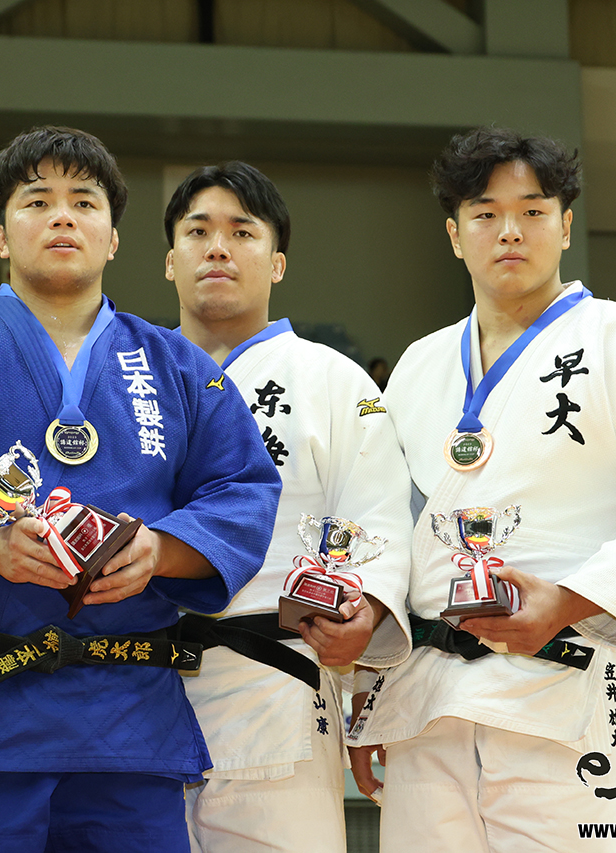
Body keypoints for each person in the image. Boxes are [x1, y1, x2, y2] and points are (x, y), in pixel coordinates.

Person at [0, 127, 281, 853]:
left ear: (113, 238)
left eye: (85, 201)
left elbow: (243, 488)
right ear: (0, 236)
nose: (63, 216)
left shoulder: (177, 365)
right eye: (36, 201)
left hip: (129, 720)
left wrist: (162, 550)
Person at [346, 127, 616, 851]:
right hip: (429, 704)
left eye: (533, 210)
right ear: (455, 235)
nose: (510, 231)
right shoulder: (419, 367)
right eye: (485, 213)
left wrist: (570, 599)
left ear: (566, 225)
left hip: (567, 688)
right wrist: (371, 691)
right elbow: (388, 528)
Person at [165, 161, 413, 852]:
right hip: (136, 684)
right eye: (198, 231)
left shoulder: (333, 379)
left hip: (278, 680)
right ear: (169, 260)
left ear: (277, 262)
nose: (218, 247)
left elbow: (377, 520)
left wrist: (363, 621)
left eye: (242, 232)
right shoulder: (128, 377)